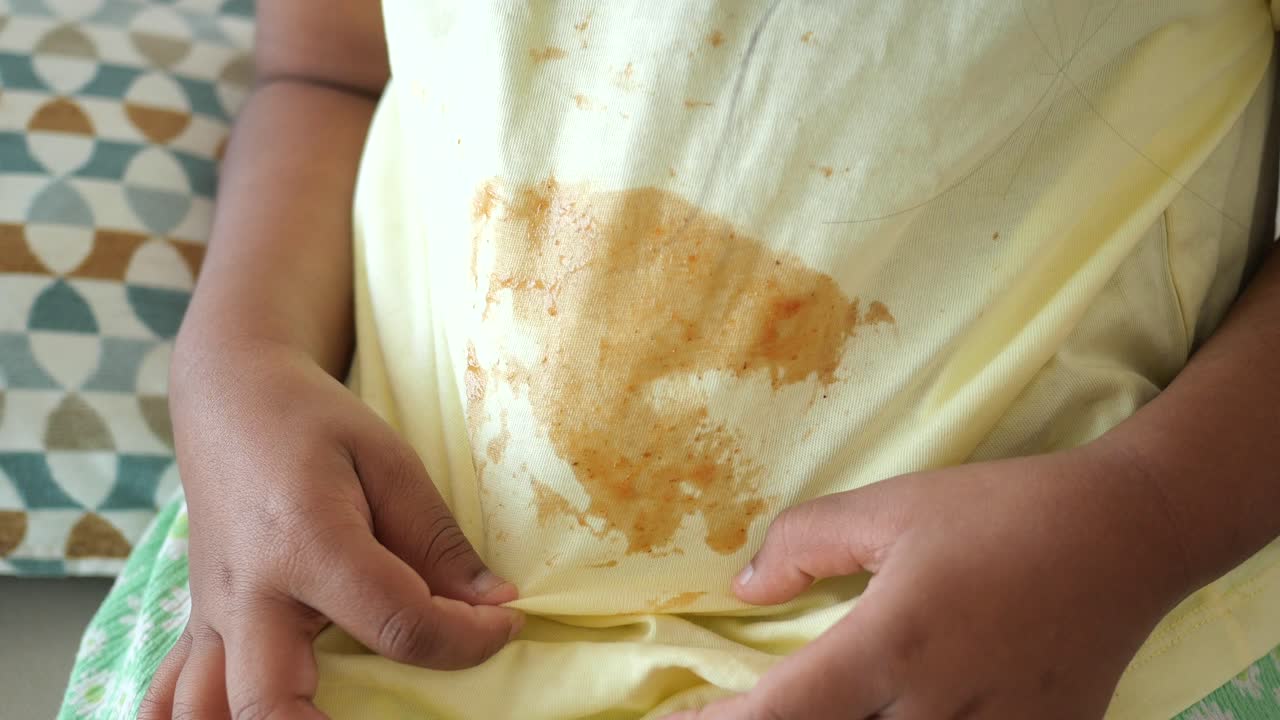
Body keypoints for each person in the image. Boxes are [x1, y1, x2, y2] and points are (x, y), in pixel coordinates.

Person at [60, 2, 1280, 719]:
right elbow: (327, 63)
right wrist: (234, 362)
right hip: (328, 602)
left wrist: (1148, 515)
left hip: (1049, 641)